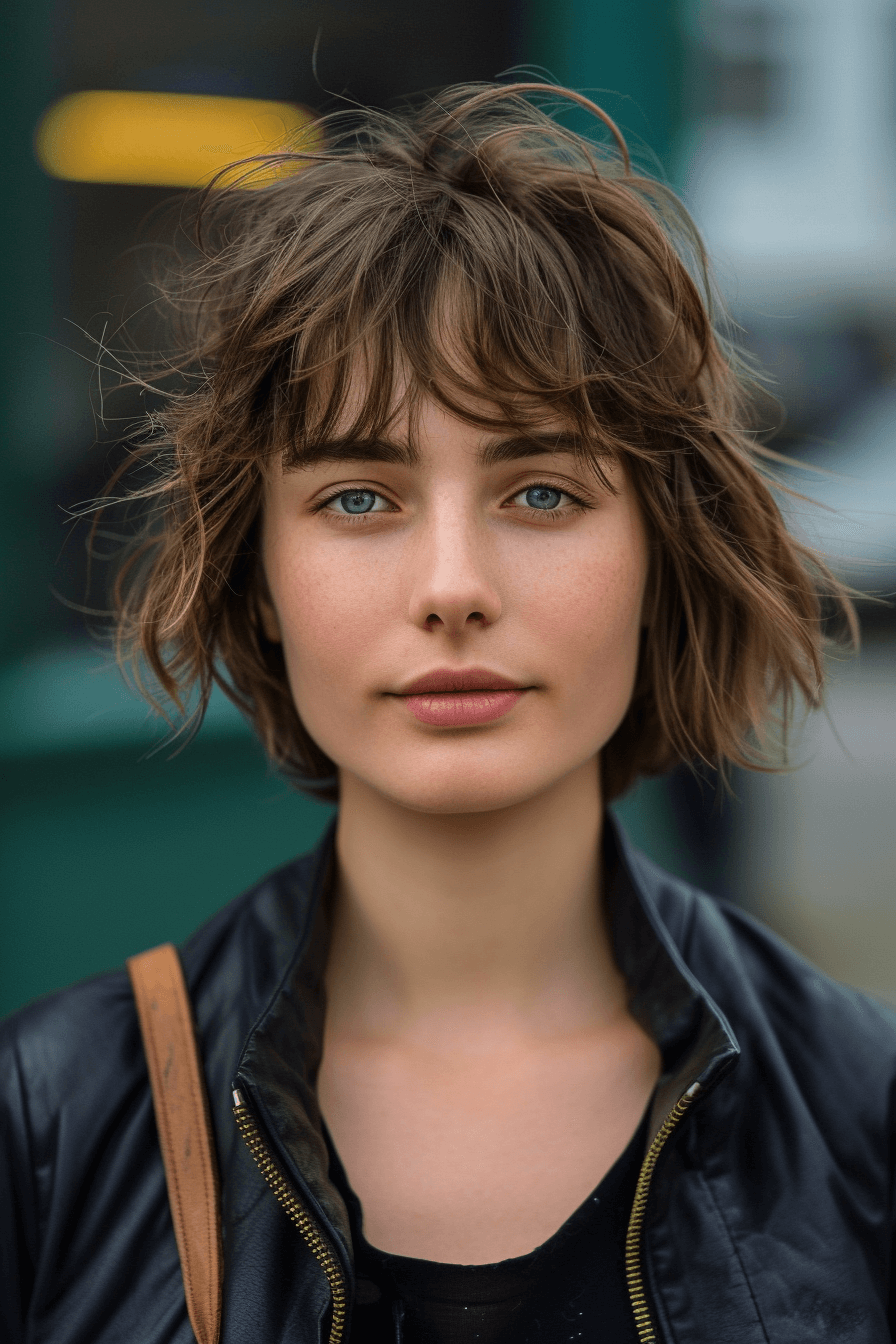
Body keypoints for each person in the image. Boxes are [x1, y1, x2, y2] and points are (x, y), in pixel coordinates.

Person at [1, 81, 894, 1344]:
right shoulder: (52, 1119)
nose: (453, 590)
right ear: (257, 575)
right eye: (359, 499)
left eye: (539, 493)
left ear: (658, 556)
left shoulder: (859, 1112)